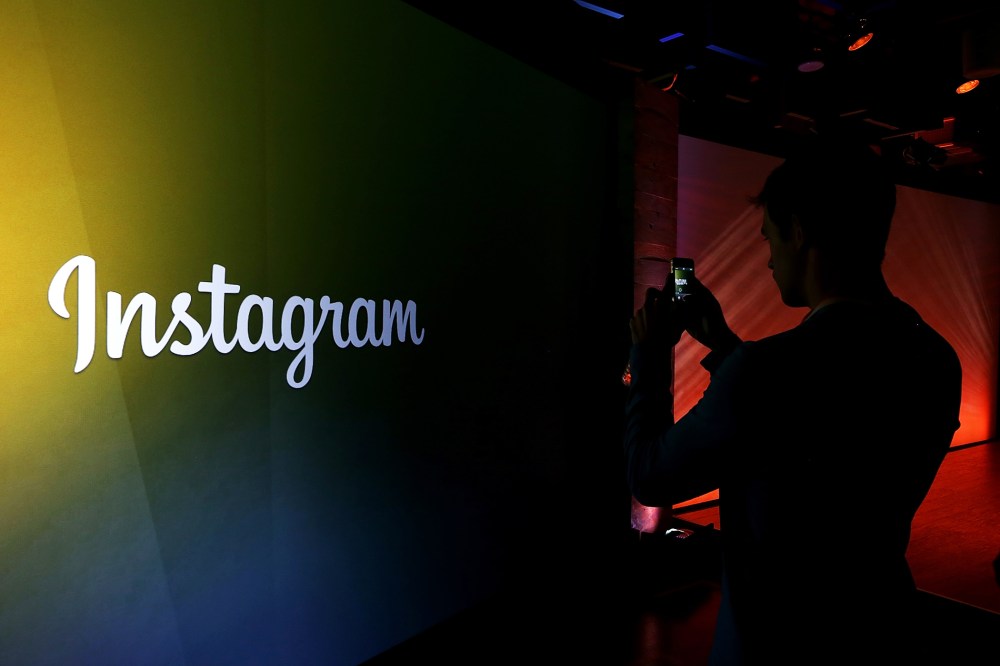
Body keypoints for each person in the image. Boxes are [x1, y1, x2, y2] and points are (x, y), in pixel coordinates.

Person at [623, 135, 963, 664]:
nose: (768, 261)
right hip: (882, 632)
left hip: (773, 645)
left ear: (800, 233)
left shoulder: (767, 372)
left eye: (769, 239)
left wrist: (647, 357)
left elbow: (650, 474)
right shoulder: (937, 357)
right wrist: (727, 347)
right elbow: (802, 422)